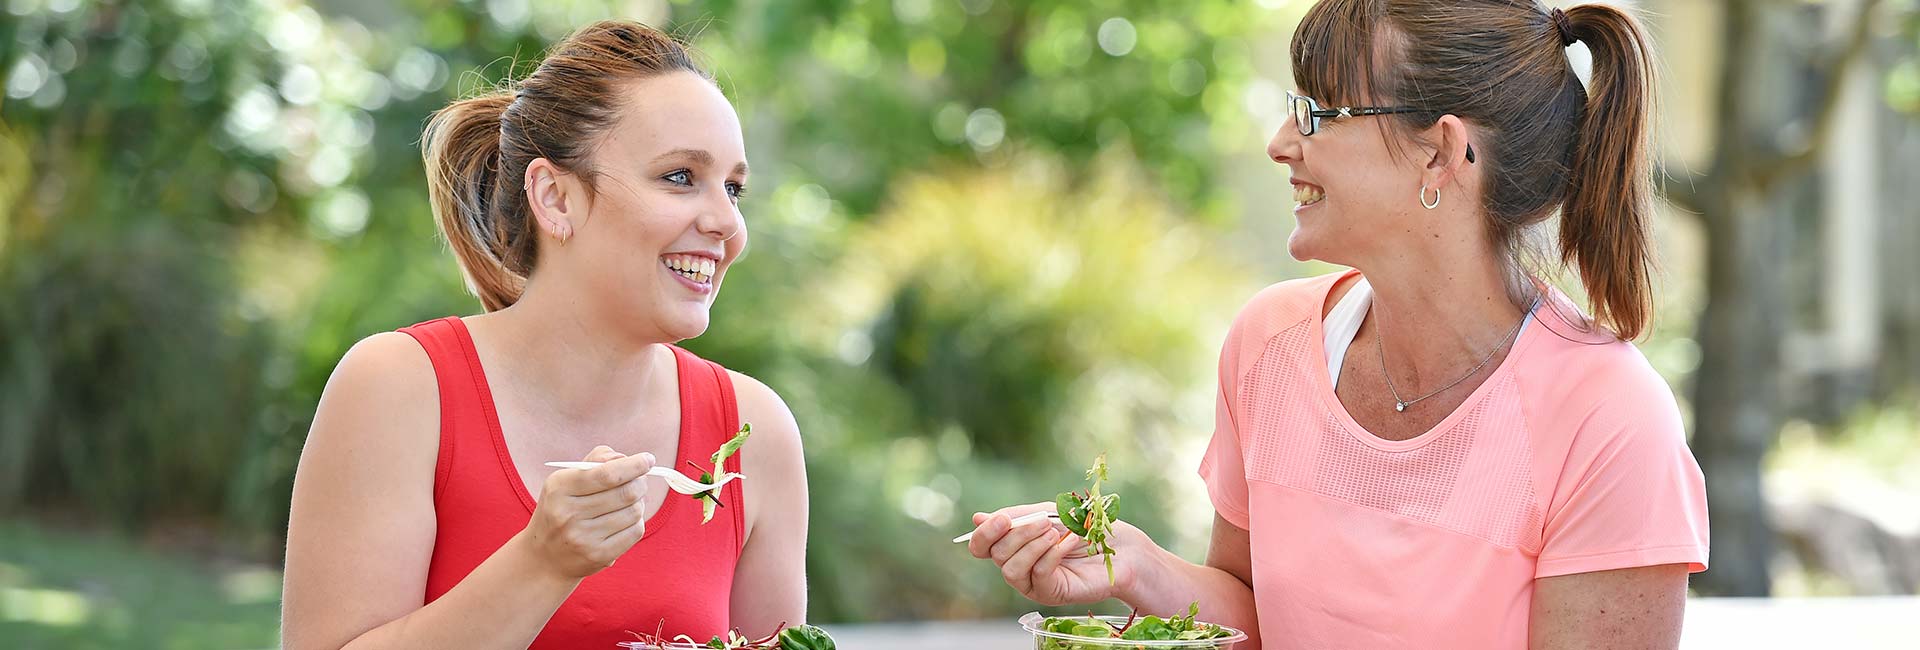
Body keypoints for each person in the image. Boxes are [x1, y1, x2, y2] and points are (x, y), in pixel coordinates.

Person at [966, 1, 1709, 647]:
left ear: (1441, 153)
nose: (1281, 142)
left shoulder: (1609, 422)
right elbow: (1252, 624)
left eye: (1319, 113)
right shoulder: (1269, 345)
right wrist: (1140, 568)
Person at [281, 20, 808, 649]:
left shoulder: (756, 433)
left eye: (733, 188)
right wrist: (540, 564)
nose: (727, 222)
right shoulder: (397, 388)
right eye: (679, 177)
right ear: (555, 198)